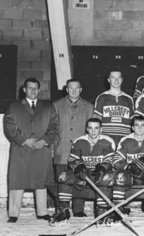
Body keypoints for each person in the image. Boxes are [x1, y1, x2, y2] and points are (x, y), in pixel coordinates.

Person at [4, 77, 58, 223]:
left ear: (39, 90)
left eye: (36, 88)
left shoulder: (48, 107)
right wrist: (24, 140)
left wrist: (44, 141)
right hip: (21, 150)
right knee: (17, 181)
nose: (33, 91)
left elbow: (54, 127)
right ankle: (14, 214)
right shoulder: (14, 107)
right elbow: (10, 128)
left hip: (41, 150)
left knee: (41, 182)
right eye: (30, 88)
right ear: (24, 90)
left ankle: (42, 212)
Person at [50, 118, 117, 225]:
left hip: (100, 174)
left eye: (96, 128)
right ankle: (63, 211)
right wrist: (78, 166)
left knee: (106, 177)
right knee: (64, 176)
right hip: (84, 174)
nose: (93, 131)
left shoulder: (108, 141)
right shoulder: (79, 141)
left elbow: (110, 160)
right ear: (86, 129)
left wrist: (103, 167)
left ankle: (102, 210)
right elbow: (72, 159)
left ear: (101, 129)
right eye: (90, 128)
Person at [53, 78, 94, 217]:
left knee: (79, 178)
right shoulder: (56, 106)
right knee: (62, 179)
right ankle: (62, 209)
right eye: (71, 88)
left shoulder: (89, 107)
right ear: (66, 89)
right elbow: (52, 129)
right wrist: (54, 148)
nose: (74, 91)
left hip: (80, 152)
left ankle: (78, 209)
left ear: (81, 90)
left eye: (77, 88)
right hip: (62, 149)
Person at [113, 115, 144, 223]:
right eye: (136, 125)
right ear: (132, 127)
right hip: (130, 175)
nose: (140, 128)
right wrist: (129, 166)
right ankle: (118, 209)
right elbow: (116, 161)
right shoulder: (125, 140)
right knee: (120, 176)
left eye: (143, 125)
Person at [93, 69, 134, 145]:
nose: (116, 80)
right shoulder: (101, 97)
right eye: (113, 77)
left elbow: (132, 121)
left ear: (121, 79)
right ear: (108, 80)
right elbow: (96, 120)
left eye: (118, 77)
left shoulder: (129, 99)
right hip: (106, 138)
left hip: (125, 139)